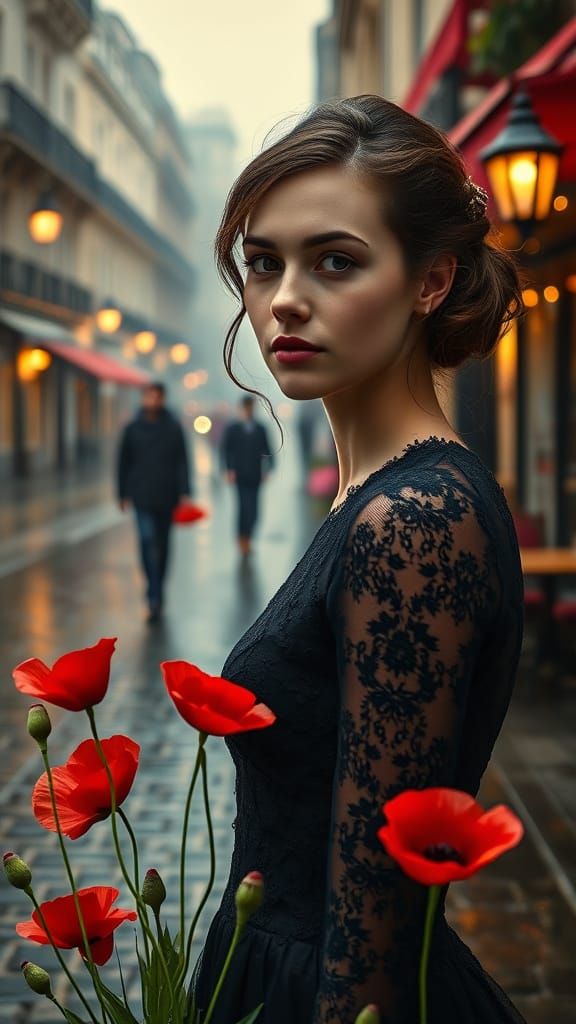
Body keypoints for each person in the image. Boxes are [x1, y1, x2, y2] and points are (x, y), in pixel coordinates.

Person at [192, 96, 525, 1024]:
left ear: (430, 281)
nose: (285, 297)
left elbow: (377, 908)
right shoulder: (377, 495)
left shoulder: (414, 520)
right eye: (264, 264)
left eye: (336, 261)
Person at [117, 381, 191, 623]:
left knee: (163, 546)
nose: (152, 401)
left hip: (167, 496)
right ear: (142, 398)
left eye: (156, 396)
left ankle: (158, 589)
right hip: (141, 495)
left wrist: (185, 491)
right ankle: (153, 596)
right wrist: (122, 493)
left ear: (162, 399)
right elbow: (123, 462)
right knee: (148, 541)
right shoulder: (132, 429)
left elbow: (182, 460)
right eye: (148, 396)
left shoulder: (172, 427)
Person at [220, 395, 274, 556]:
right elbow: (225, 451)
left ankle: (249, 536)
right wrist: (228, 470)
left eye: (251, 407)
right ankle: (242, 539)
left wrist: (268, 469)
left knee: (255, 510)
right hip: (240, 475)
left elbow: (268, 451)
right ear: (241, 408)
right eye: (246, 407)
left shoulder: (260, 428)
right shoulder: (232, 429)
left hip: (255, 475)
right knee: (243, 508)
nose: (248, 410)